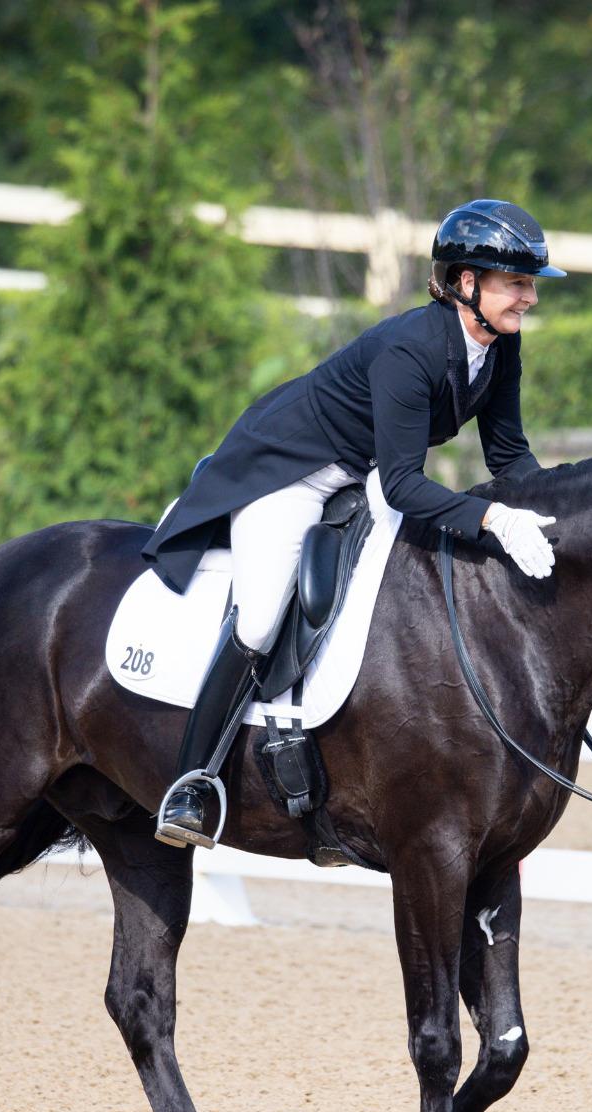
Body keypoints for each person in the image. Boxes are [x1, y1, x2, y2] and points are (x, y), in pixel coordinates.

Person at [142, 198, 565, 847]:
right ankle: (194, 783)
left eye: (530, 284)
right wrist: (492, 518)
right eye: (517, 283)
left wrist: (550, 514)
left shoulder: (498, 347)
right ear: (467, 283)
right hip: (292, 470)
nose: (529, 297)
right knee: (258, 620)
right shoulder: (410, 349)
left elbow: (507, 454)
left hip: (360, 475)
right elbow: (403, 485)